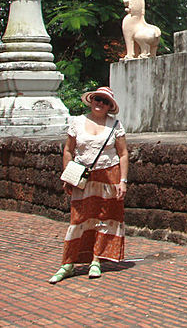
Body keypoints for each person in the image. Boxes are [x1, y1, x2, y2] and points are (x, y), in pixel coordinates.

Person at [49, 85, 128, 283]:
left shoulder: (115, 125)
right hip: (83, 176)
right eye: (97, 99)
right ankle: (68, 263)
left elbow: (123, 154)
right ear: (91, 101)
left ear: (110, 106)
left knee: (103, 217)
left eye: (105, 101)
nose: (100, 104)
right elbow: (68, 150)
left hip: (109, 174)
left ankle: (96, 260)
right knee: (79, 218)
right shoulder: (77, 122)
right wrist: (67, 175)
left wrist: (123, 181)